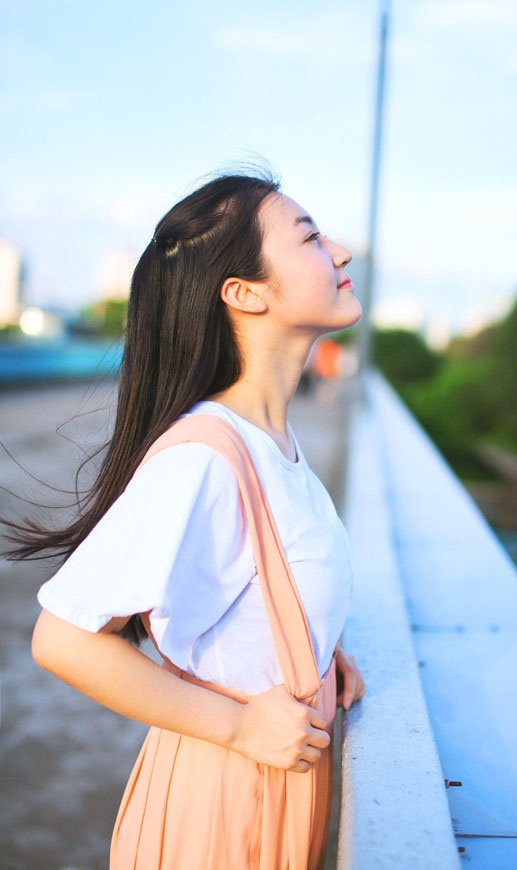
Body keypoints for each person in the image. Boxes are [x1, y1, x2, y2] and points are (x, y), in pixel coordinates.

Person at [8, 170, 365, 870]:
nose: (340, 253)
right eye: (310, 237)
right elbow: (63, 639)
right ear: (245, 292)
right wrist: (237, 726)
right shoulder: (204, 458)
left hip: (268, 792)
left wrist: (316, 657)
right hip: (223, 810)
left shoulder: (274, 444)